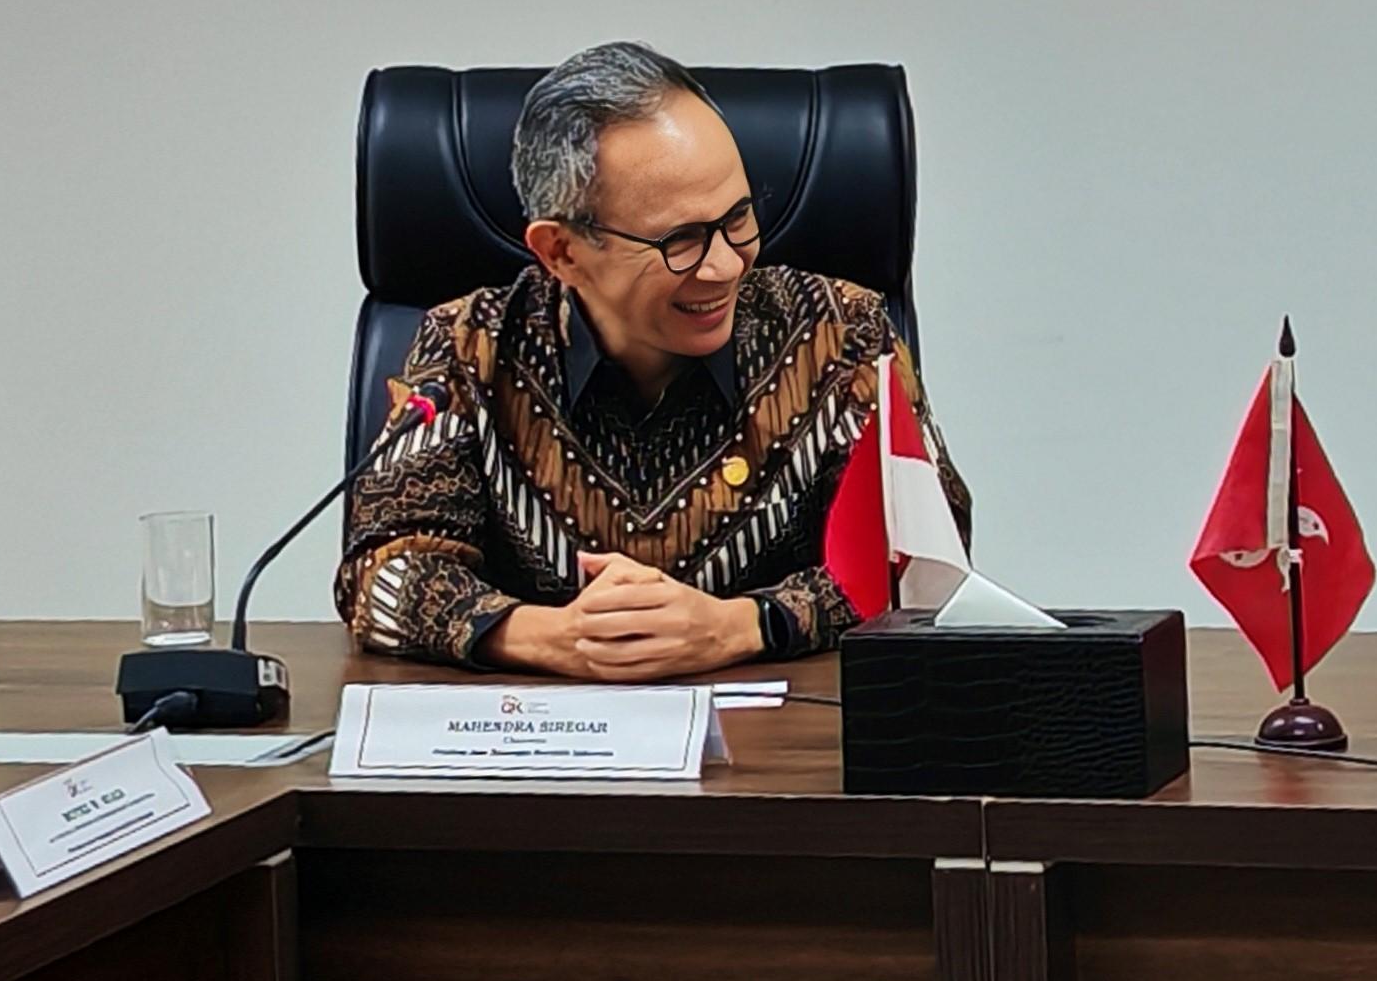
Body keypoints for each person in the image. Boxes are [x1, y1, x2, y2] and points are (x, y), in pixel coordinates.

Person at [335, 42, 967, 677]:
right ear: (562, 252)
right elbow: (381, 572)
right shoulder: (468, 345)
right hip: (547, 751)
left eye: (739, 218)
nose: (724, 265)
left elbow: (923, 556)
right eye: (681, 241)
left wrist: (741, 625)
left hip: (782, 748)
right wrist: (551, 637)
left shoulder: (839, 330)